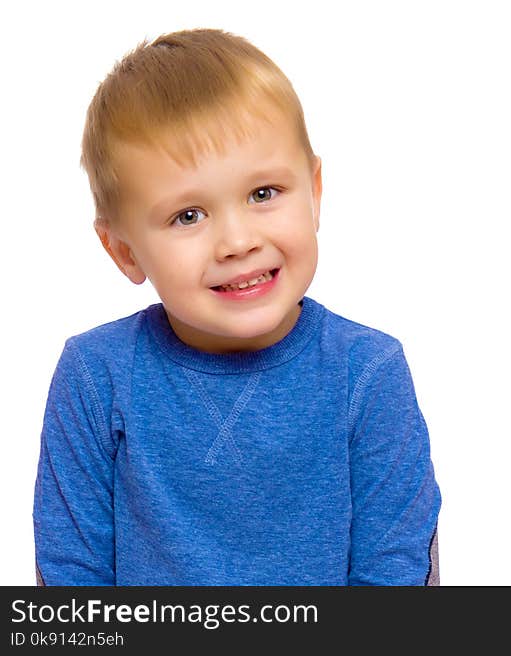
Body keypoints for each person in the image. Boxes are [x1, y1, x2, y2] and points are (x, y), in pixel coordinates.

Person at [32, 28, 441, 585]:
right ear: (125, 251)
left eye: (264, 193)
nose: (237, 241)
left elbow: (394, 570)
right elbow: (70, 582)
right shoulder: (96, 376)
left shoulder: (366, 372)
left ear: (314, 193)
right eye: (188, 216)